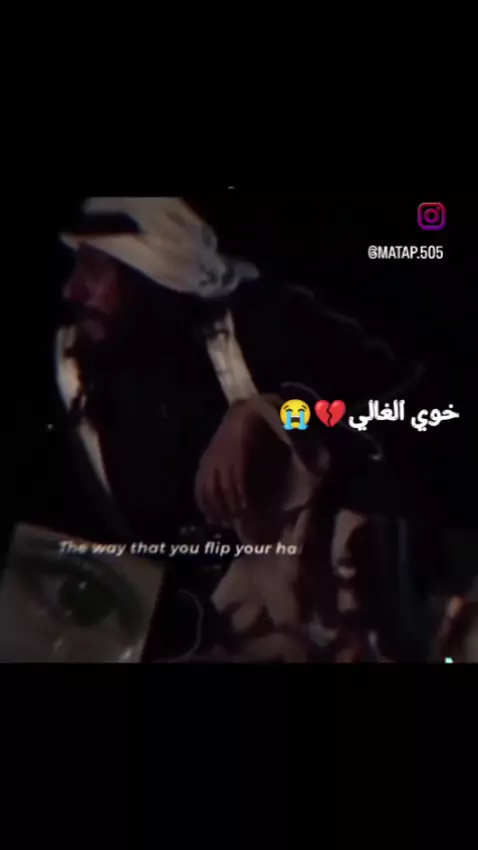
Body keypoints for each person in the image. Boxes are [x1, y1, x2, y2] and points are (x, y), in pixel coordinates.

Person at [16, 197, 453, 662]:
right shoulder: (79, 378)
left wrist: (271, 414)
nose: (73, 291)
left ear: (152, 273)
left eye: (95, 270)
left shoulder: (265, 325)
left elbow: (403, 413)